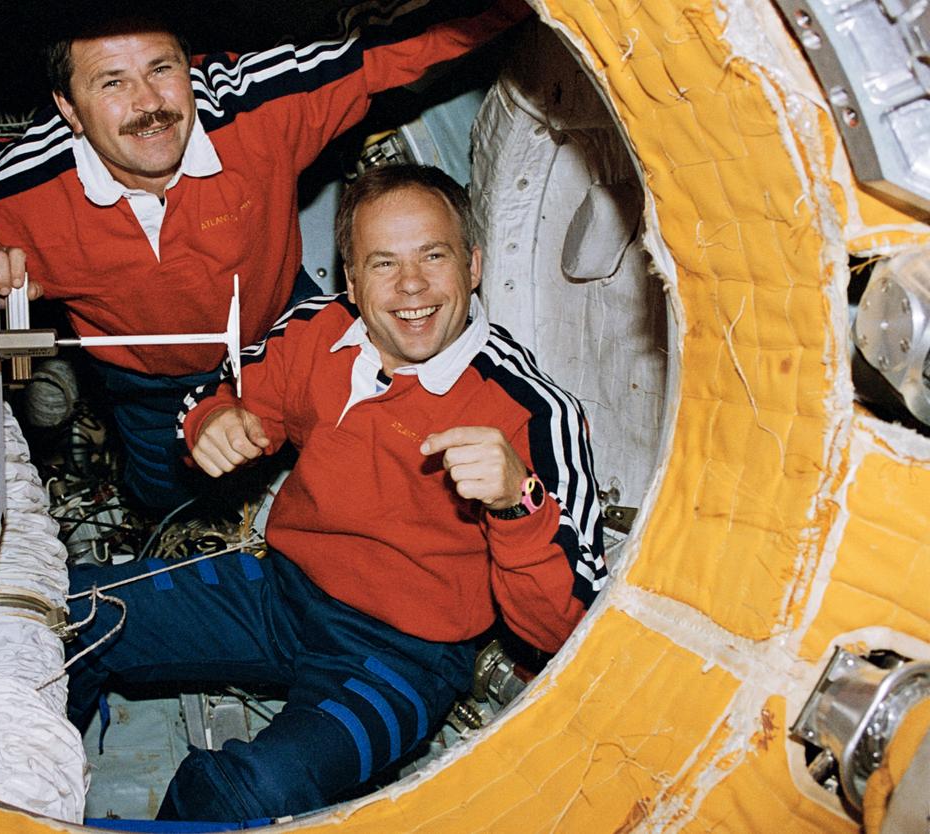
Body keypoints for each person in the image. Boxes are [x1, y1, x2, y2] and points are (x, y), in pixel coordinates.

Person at [62, 164, 607, 823]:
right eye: (383, 263)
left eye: (434, 256)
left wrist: (515, 501)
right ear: (352, 280)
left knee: (252, 791)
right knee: (69, 615)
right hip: (280, 591)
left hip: (405, 658)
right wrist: (216, 423)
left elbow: (567, 632)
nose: (411, 285)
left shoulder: (534, 412)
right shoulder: (320, 331)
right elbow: (229, 394)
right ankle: (28, 781)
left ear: (473, 266)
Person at [0, 0, 530, 510]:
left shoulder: (257, 106)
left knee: (354, 451)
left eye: (162, 69)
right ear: (68, 107)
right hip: (147, 382)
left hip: (284, 331)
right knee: (166, 496)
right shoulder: (17, 187)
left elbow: (397, 47)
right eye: (112, 83)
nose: (148, 104)